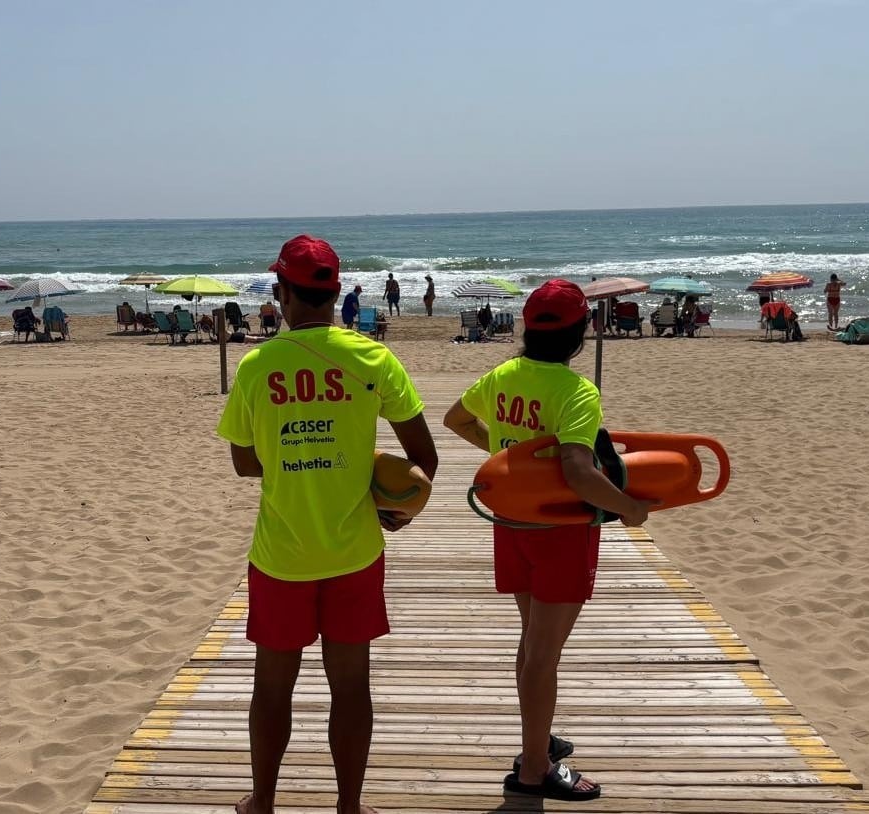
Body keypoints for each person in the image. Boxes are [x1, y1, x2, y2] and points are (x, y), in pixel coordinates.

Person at [216, 235, 438, 814]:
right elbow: (424, 457)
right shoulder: (373, 358)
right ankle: (348, 806)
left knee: (272, 688)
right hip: (355, 551)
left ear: (284, 294)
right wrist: (396, 509)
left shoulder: (257, 365)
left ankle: (262, 803)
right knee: (351, 687)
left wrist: (292, 458)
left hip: (282, 554)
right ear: (335, 293)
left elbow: (243, 462)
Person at [442, 279, 651, 801]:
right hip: (560, 531)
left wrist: (507, 457)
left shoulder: (503, 375)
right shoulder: (577, 392)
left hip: (513, 524)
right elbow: (580, 471)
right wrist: (629, 510)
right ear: (582, 333)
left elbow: (456, 418)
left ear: (527, 328)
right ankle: (535, 767)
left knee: (532, 643)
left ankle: (536, 737)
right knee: (542, 653)